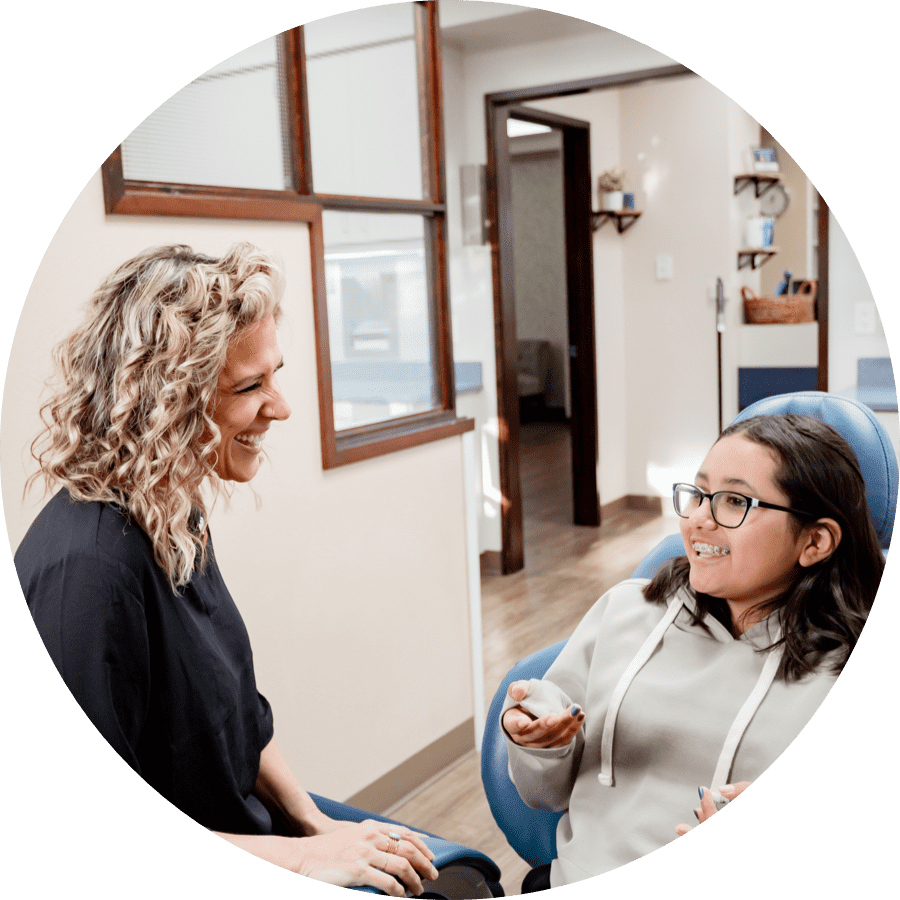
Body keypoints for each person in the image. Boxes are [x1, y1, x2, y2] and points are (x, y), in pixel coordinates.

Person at [15, 244, 439, 896]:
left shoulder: (171, 514)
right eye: (249, 387)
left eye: (275, 375)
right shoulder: (90, 575)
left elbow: (238, 716)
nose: (282, 407)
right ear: (164, 404)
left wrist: (313, 822)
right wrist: (306, 861)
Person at [501, 414, 885, 889]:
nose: (699, 519)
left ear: (815, 541)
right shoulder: (626, 611)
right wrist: (540, 745)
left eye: (735, 501)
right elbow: (542, 794)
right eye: (700, 494)